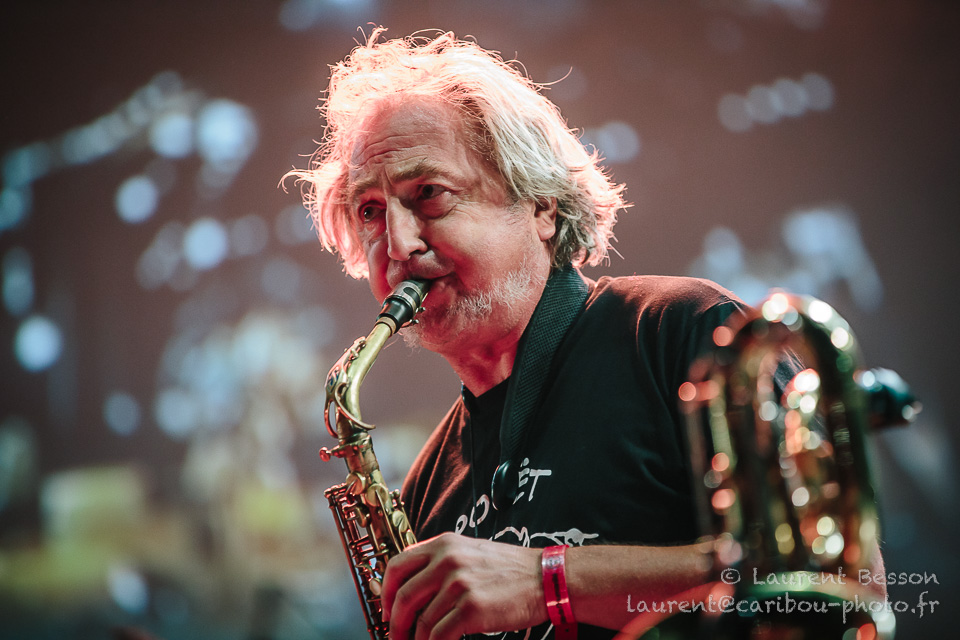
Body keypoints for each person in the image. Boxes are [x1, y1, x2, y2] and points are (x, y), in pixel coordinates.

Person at [288, 30, 882, 640]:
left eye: (430, 195)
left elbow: (838, 584)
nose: (398, 245)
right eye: (370, 211)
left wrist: (545, 582)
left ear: (541, 206)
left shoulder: (684, 331)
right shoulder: (425, 489)